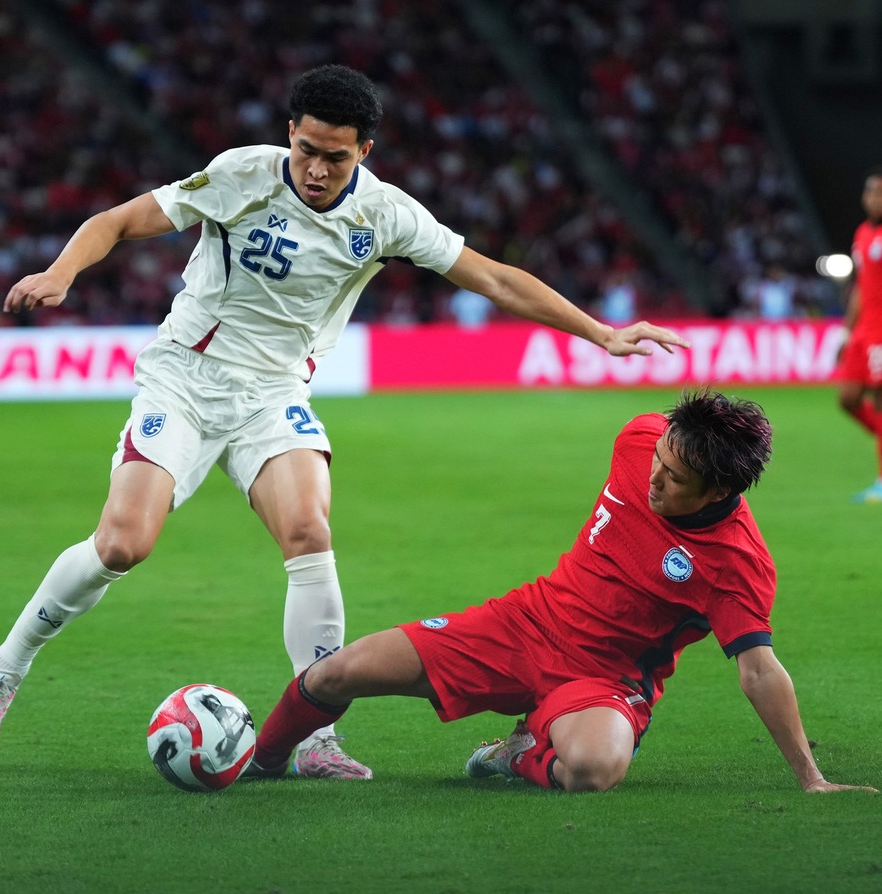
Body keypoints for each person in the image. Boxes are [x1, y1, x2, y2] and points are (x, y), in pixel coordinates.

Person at [0, 64, 687, 778]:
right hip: (185, 377)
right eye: (305, 150)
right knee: (122, 546)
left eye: (335, 157)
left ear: (364, 152)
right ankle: (5, 667)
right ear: (289, 135)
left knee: (309, 532)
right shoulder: (241, 174)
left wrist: (601, 332)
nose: (314, 169)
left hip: (274, 394)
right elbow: (117, 220)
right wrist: (60, 273)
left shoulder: (386, 214)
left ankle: (316, 736)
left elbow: (493, 278)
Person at [245, 389, 877, 795]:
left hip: (603, 681)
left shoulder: (737, 564)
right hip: (523, 623)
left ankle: (516, 752)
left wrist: (810, 778)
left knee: (594, 771)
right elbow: (658, 442)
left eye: (676, 478)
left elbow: (760, 671)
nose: (654, 478)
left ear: (717, 493)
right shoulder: (639, 438)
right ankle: (259, 762)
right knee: (334, 675)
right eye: (659, 458)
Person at [837, 167, 882, 503]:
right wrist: (846, 331)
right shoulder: (862, 233)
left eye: (879, 193)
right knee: (848, 399)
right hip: (863, 330)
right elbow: (859, 289)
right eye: (870, 192)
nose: (873, 199)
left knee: (880, 402)